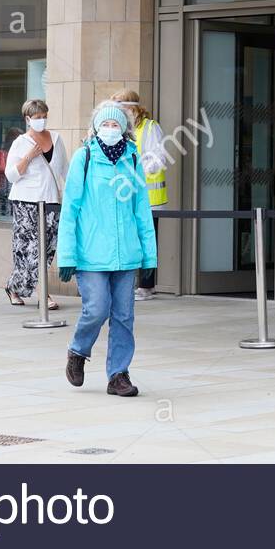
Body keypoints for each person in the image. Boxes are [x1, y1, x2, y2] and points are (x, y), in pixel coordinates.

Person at [58, 101, 157, 398]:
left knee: (124, 316)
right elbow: (70, 209)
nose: (111, 129)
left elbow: (142, 210)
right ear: (96, 127)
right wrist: (66, 255)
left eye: (116, 125)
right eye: (106, 124)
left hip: (126, 254)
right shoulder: (84, 157)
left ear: (124, 129)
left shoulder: (133, 159)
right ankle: (78, 351)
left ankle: (118, 374)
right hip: (91, 254)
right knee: (97, 308)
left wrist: (149, 255)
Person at [4, 99, 69, 308]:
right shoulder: (20, 143)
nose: (41, 120)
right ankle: (43, 294)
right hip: (26, 202)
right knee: (30, 250)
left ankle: (14, 286)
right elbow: (11, 175)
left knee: (48, 248)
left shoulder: (57, 140)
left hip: (50, 202)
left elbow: (65, 170)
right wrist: (29, 157)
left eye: (43, 116)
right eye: (37, 117)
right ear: (27, 119)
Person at [111, 91, 167, 301]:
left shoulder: (150, 127)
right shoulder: (120, 130)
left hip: (150, 198)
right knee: (131, 240)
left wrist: (137, 171)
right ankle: (140, 283)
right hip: (128, 196)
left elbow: (159, 159)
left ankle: (146, 285)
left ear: (131, 108)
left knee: (147, 241)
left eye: (120, 108)